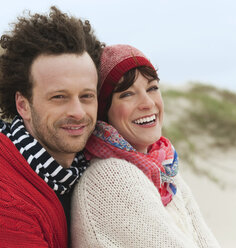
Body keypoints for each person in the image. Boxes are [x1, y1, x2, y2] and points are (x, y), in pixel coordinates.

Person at [0, 6, 103, 248]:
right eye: (59, 97)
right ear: (23, 105)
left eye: (86, 96)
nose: (77, 112)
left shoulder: (82, 167)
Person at [71, 44, 220, 247]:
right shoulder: (111, 175)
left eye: (152, 88)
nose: (148, 103)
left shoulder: (165, 169)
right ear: (105, 110)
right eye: (127, 94)